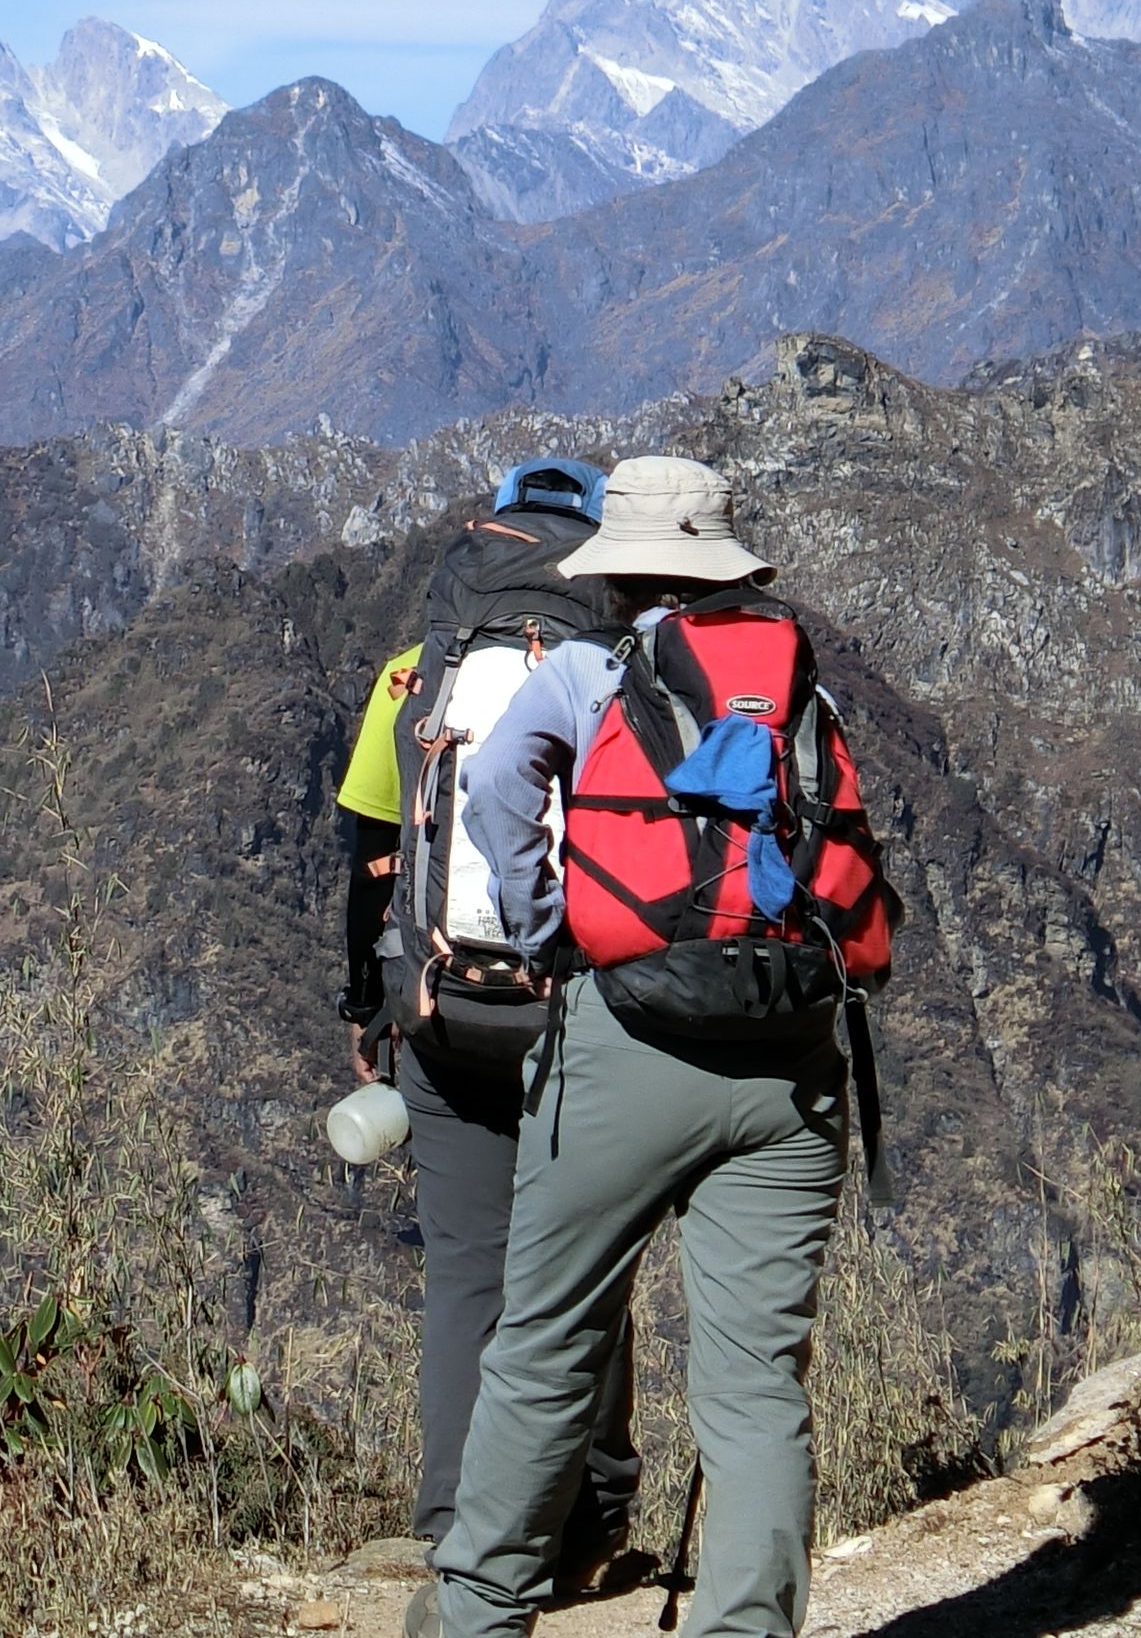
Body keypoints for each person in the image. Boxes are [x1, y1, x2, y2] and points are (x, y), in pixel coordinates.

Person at [422, 454, 901, 1638]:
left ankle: (480, 1615)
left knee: (547, 1343)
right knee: (752, 1390)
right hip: (791, 1063)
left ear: (620, 570)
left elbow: (490, 792)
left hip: (623, 1043)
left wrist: (548, 932)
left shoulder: (586, 672)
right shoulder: (801, 689)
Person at [334, 460, 644, 1594]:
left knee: (467, 1271)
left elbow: (373, 859)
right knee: (582, 1266)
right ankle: (587, 1516)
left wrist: (367, 1005)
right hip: (586, 1015)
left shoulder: (413, 674)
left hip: (443, 1009)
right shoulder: (625, 671)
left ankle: (458, 1522)